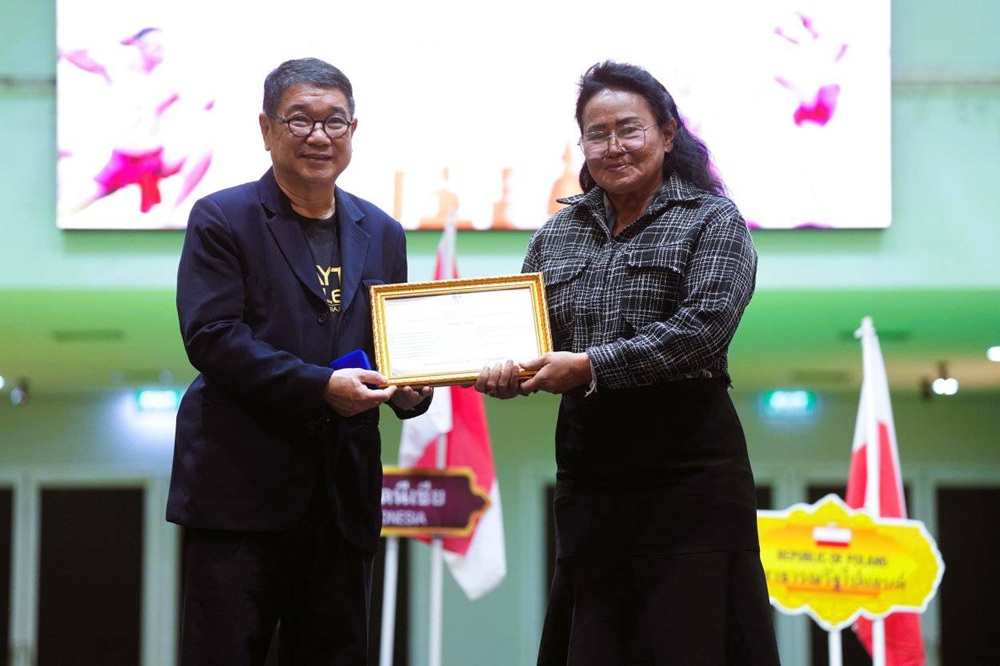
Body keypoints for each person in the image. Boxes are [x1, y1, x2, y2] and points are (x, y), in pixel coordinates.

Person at [477, 61, 780, 665]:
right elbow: (526, 338)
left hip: (689, 474)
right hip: (589, 476)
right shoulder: (556, 234)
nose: (613, 146)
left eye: (629, 129)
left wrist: (590, 367)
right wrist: (507, 372)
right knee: (595, 640)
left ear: (667, 134)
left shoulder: (713, 219)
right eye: (597, 134)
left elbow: (702, 330)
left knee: (691, 642)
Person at [167, 57, 432, 665]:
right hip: (240, 496)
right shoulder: (222, 217)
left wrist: (411, 388)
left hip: (344, 499)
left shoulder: (384, 231)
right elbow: (212, 336)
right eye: (300, 120)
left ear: (353, 130)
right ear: (266, 129)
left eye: (335, 121)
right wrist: (321, 386)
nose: (319, 136)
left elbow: (393, 347)